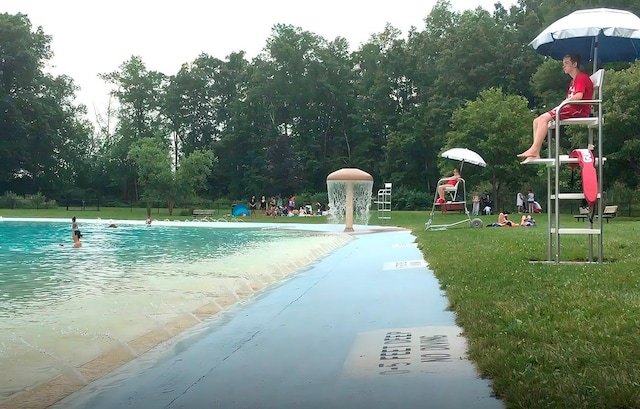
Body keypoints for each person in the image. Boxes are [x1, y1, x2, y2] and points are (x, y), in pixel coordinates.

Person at [518, 54, 594, 161]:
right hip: (571, 108)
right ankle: (535, 153)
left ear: (575, 64)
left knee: (544, 119)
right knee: (536, 120)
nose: (564, 66)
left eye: (566, 63)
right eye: (563, 64)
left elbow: (578, 96)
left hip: (578, 110)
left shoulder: (581, 78)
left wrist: (565, 102)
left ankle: (534, 149)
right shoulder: (573, 81)